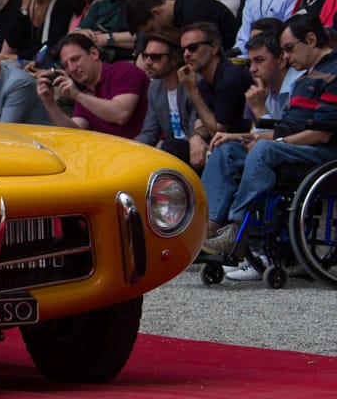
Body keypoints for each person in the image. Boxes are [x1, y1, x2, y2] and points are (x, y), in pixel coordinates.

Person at [202, 13, 337, 254]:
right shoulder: (306, 78)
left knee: (264, 149)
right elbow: (286, 128)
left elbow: (320, 134)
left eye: (289, 48)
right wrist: (239, 137)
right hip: (296, 144)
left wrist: (276, 142)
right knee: (227, 149)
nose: (285, 56)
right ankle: (209, 224)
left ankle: (237, 227)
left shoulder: (334, 73)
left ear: (311, 39)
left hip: (324, 153)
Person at [36, 32, 149, 138]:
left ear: (94, 53)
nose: (72, 68)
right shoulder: (86, 94)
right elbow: (75, 132)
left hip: (148, 149)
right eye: (66, 65)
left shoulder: (123, 70)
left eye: (75, 59)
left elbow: (121, 114)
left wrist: (78, 95)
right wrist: (49, 103)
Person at [178, 22, 253, 168]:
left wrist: (193, 91)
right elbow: (202, 121)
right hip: (223, 146)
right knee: (175, 147)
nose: (186, 54)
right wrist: (195, 137)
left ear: (213, 48)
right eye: (183, 50)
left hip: (242, 148)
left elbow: (216, 130)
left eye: (193, 48)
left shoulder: (231, 77)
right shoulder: (204, 82)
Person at [134, 28, 199, 167]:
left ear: (175, 58)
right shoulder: (154, 88)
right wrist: (129, 150)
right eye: (146, 56)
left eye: (156, 57)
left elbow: (197, 133)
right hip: (171, 153)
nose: (148, 62)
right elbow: (150, 132)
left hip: (194, 154)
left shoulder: (194, 83)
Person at [125, 0, 239, 51]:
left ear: (155, 12)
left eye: (152, 29)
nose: (155, 33)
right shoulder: (184, 7)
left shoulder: (197, 13)